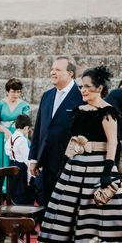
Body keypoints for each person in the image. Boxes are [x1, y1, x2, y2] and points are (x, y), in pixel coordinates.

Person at [33, 66, 122, 243]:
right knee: (64, 214)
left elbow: (113, 143)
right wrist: (67, 164)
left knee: (93, 216)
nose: (83, 90)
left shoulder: (108, 112)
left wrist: (107, 172)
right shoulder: (78, 110)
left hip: (99, 168)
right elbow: (73, 142)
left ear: (99, 88)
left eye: (87, 87)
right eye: (81, 86)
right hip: (75, 168)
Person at [29, 57, 83, 207]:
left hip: (67, 163)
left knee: (65, 206)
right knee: (45, 204)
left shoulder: (80, 97)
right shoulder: (47, 96)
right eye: (52, 69)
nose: (53, 72)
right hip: (45, 162)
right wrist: (33, 158)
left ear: (70, 73)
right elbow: (39, 127)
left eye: (58, 70)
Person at [0, 78, 30, 170]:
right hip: (2, 135)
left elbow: (25, 122)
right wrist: (5, 130)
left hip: (17, 135)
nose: (16, 94)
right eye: (13, 91)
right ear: (7, 91)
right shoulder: (0, 103)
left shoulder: (24, 105)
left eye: (18, 92)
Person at [4, 114, 34, 205]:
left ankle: (13, 204)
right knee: (21, 190)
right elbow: (26, 158)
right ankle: (21, 209)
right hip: (20, 168)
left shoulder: (11, 137)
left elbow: (7, 151)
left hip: (11, 164)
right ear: (26, 127)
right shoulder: (22, 140)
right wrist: (30, 174)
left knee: (13, 188)